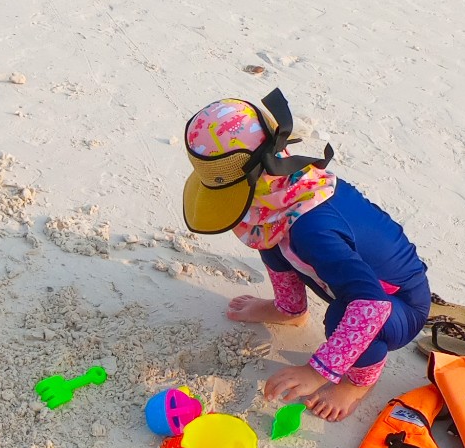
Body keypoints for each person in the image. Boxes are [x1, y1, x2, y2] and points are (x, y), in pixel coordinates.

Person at [181, 95, 431, 422]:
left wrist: (318, 373)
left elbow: (371, 305)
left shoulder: (314, 228)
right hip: (353, 282)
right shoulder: (287, 188)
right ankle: (290, 310)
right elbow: (274, 230)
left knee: (342, 315)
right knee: (269, 231)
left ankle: (358, 382)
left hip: (397, 305)